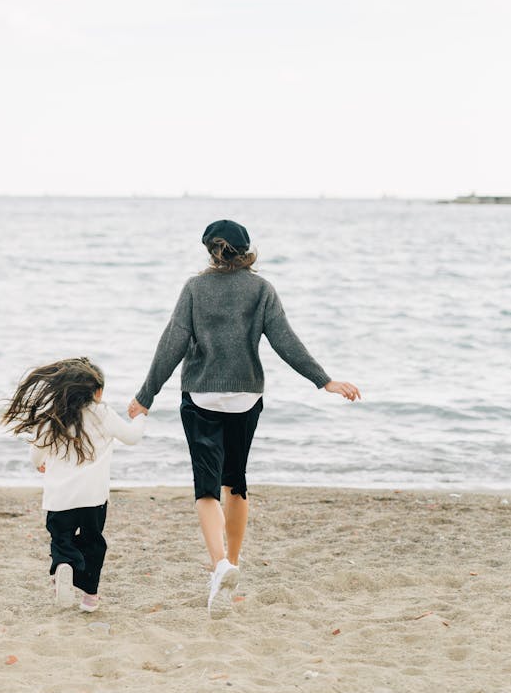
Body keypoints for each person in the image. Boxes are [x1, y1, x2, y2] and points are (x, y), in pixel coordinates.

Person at [128, 219, 360, 615]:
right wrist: (325, 380)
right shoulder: (261, 289)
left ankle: (218, 565)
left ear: (210, 251)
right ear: (246, 249)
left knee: (206, 489)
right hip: (246, 398)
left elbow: (172, 342)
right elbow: (285, 341)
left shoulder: (195, 288)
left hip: (201, 396)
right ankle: (232, 564)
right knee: (236, 483)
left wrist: (145, 396)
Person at [2, 356, 145, 612]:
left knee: (62, 540)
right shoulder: (102, 413)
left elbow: (36, 453)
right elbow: (132, 438)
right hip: (93, 498)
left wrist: (40, 464)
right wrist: (140, 416)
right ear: (97, 391)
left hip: (60, 498)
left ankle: (63, 566)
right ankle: (90, 597)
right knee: (93, 543)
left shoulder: (53, 416)